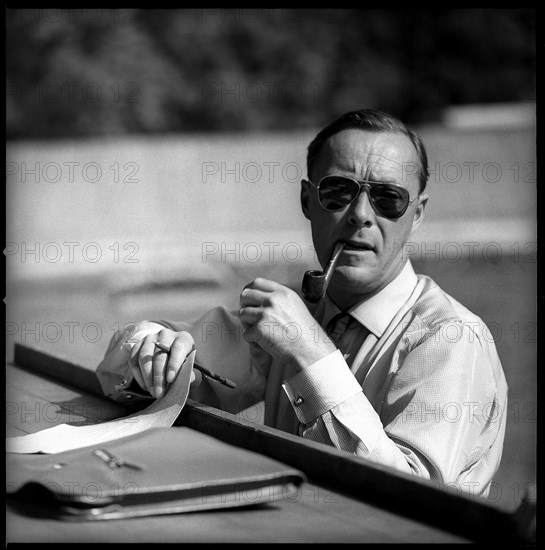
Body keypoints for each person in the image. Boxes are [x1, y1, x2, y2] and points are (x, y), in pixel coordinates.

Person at [96, 109, 508, 497]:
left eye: (387, 198)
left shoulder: (451, 339)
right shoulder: (295, 311)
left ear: (416, 214)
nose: (360, 215)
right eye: (338, 191)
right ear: (307, 202)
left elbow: (411, 499)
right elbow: (132, 355)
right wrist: (151, 358)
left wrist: (310, 350)